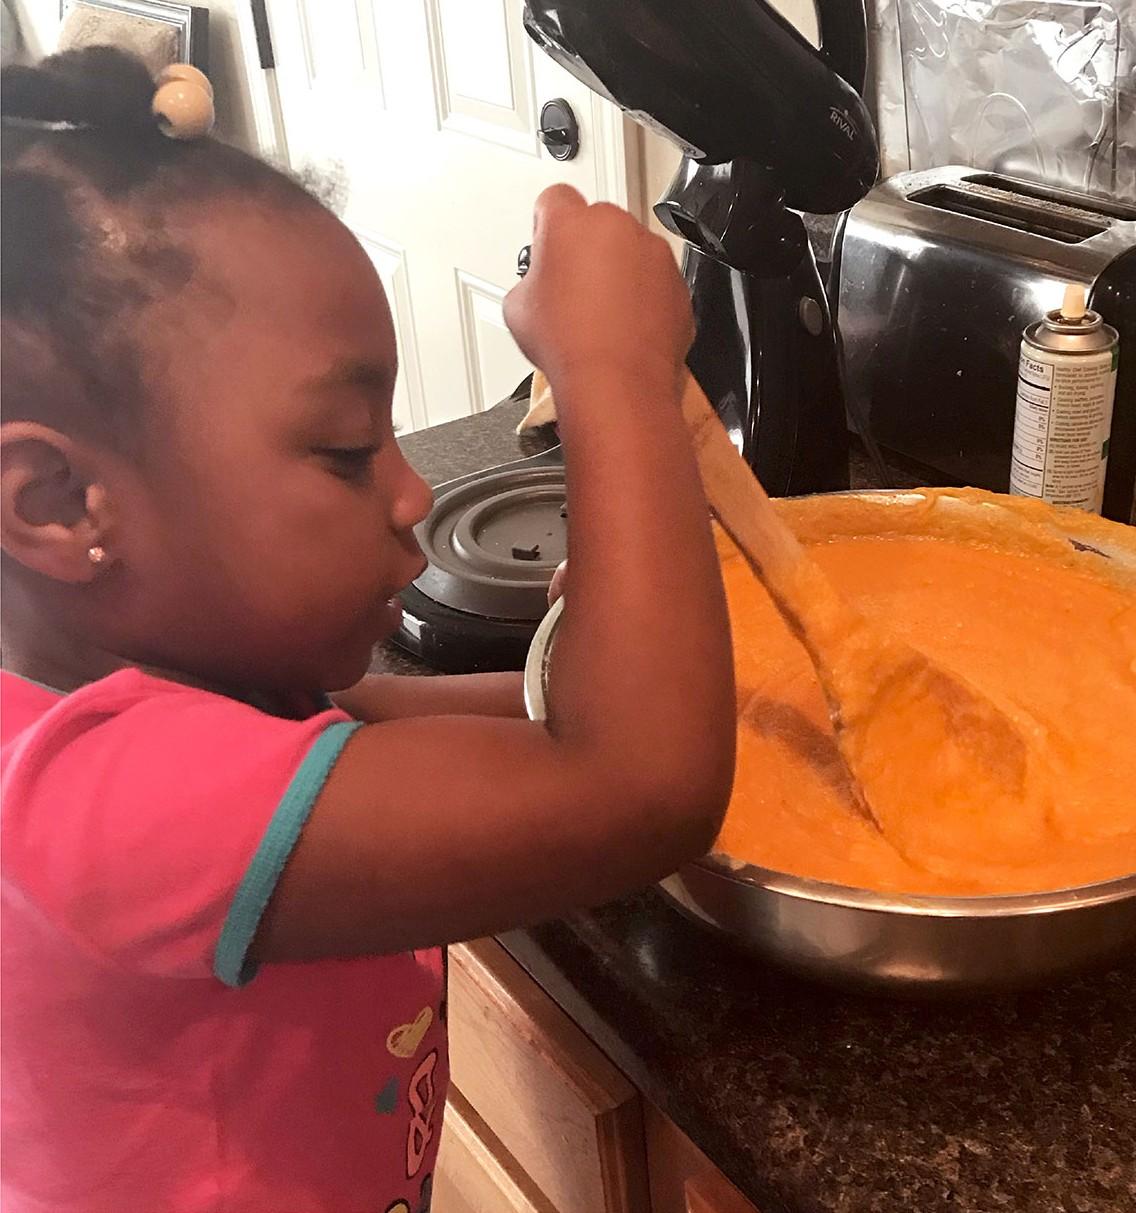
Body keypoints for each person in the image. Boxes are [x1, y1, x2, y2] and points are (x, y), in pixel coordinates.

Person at [0, 47, 735, 1209]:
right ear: (56, 503)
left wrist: (614, 666)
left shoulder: (140, 688)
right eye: (347, 450)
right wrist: (616, 369)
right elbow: (639, 789)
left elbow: (378, 723)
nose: (410, 495)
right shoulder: (96, 811)